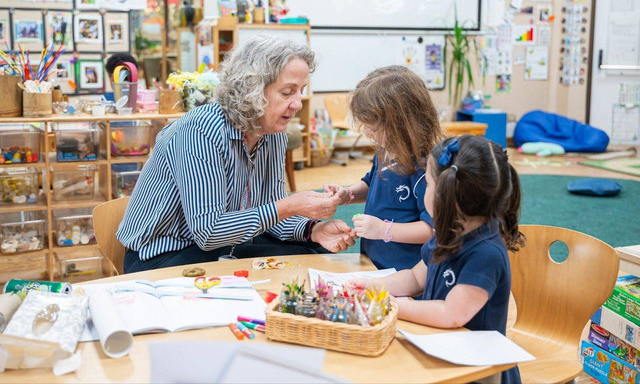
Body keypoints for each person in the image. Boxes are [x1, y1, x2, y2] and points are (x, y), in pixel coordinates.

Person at [118, 36, 355, 273]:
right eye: (287, 92)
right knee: (297, 266)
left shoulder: (272, 132)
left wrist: (312, 230)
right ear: (252, 89)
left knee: (316, 253)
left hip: (221, 244)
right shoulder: (201, 131)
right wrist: (289, 206)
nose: (298, 104)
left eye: (300, 91)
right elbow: (208, 232)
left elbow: (269, 212)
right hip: (161, 256)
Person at [348, 135, 526, 383]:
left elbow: (450, 314)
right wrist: (368, 285)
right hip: (439, 349)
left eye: (429, 185)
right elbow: (414, 278)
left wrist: (388, 304)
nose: (424, 192)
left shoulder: (486, 253)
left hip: (478, 370)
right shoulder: (449, 230)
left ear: (449, 196)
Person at [324, 65, 442, 271]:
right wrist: (348, 194)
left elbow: (431, 229)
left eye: (373, 128)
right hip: (375, 264)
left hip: (407, 272)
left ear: (402, 124)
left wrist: (384, 230)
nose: (368, 133)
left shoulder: (426, 169)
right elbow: (371, 183)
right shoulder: (386, 150)